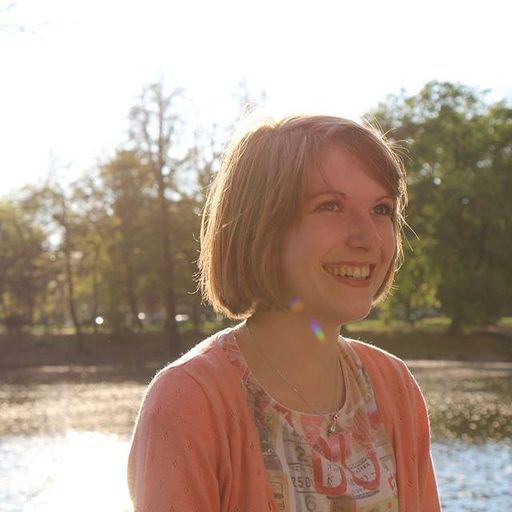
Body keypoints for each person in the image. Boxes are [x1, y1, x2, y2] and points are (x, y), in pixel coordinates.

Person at [127, 115, 441, 511]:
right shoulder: (188, 402)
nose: (368, 238)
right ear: (263, 226)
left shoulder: (393, 386)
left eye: (381, 209)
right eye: (330, 206)